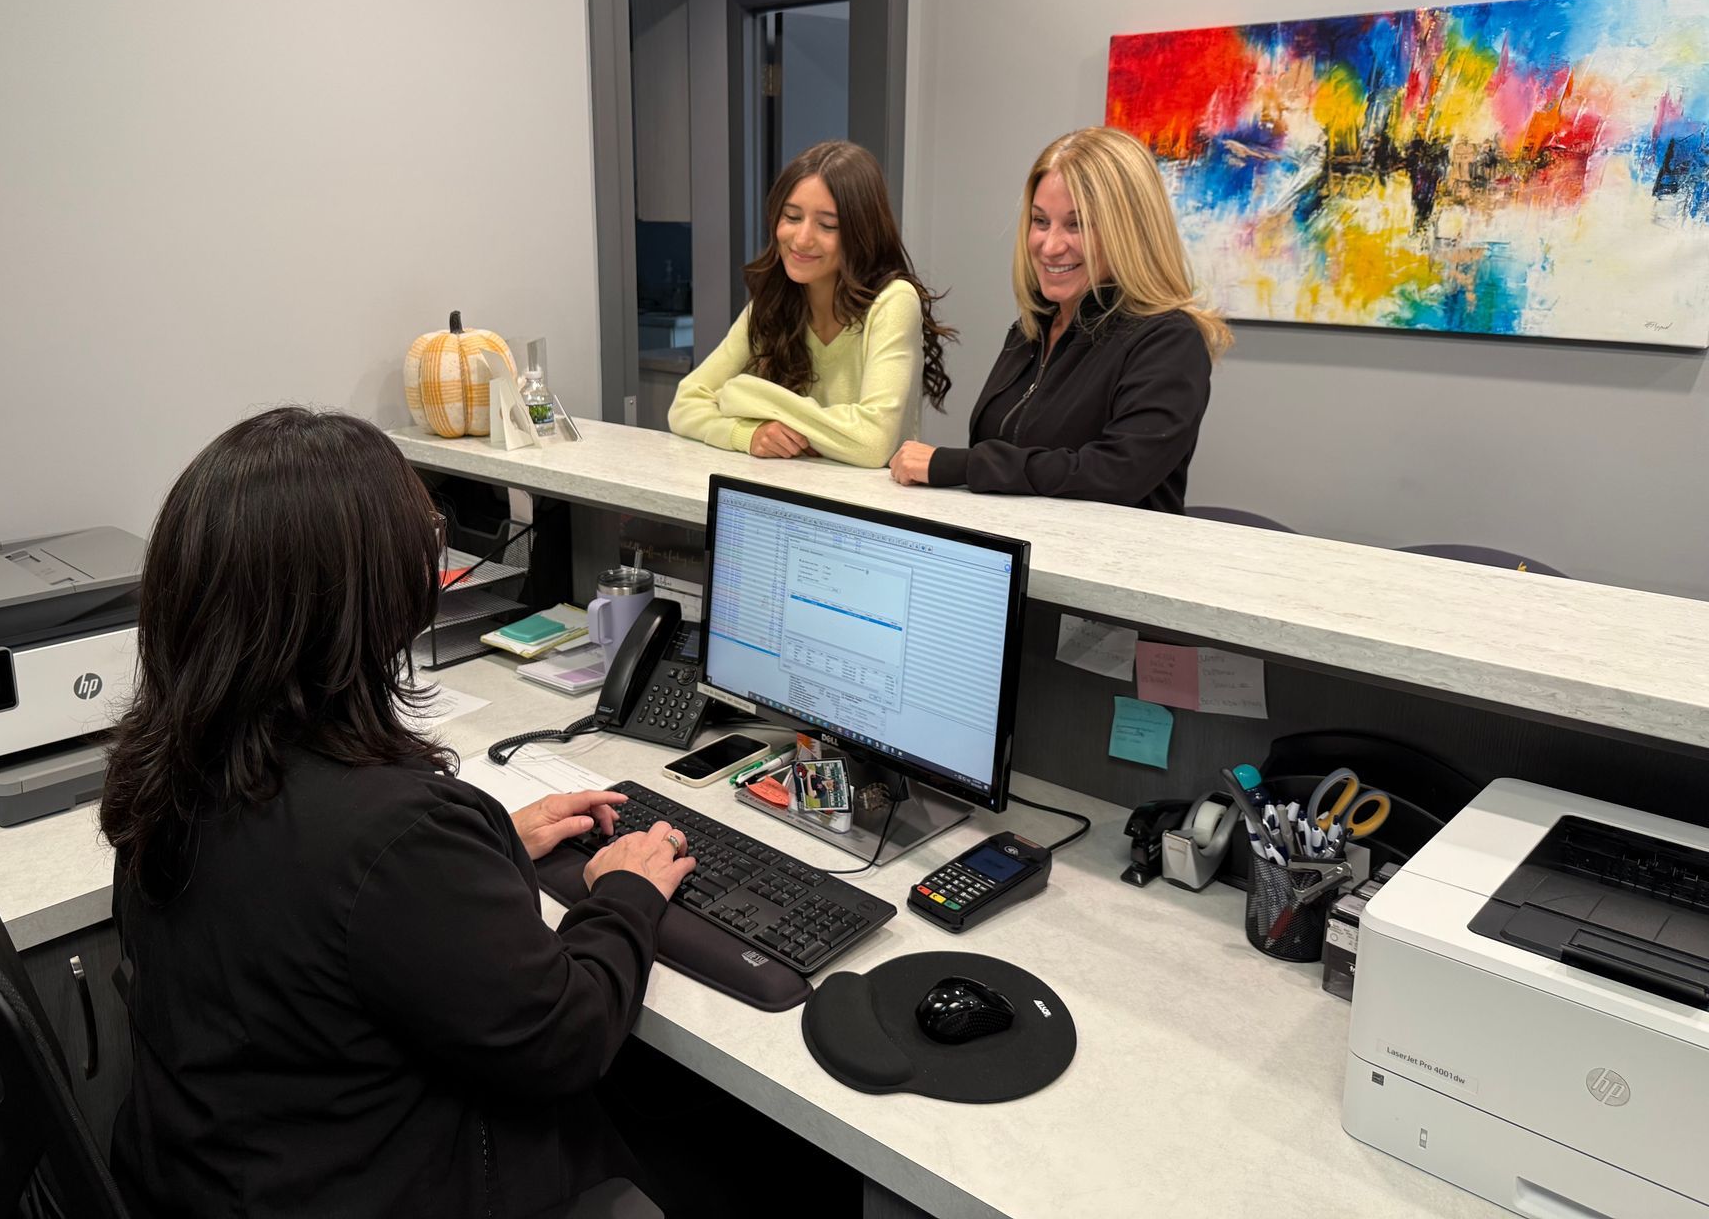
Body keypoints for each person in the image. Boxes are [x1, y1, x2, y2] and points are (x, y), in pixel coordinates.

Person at [99, 408, 694, 1219]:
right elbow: (568, 1034)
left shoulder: (176, 766)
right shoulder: (392, 840)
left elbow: (321, 906)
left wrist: (488, 850)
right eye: (425, 534)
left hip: (224, 1177)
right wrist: (625, 892)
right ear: (372, 593)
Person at [888, 128, 1232, 511]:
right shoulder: (1030, 331)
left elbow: (1116, 473)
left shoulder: (1169, 339)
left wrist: (962, 465)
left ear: (1129, 231)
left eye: (1077, 224)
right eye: (1040, 221)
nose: (1050, 246)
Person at [668, 140, 954, 467]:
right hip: (789, 502)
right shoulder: (772, 302)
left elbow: (873, 443)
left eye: (827, 225)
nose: (802, 239)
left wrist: (742, 395)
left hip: (870, 510)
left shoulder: (893, 301)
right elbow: (685, 404)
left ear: (861, 232)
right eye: (792, 217)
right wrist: (745, 434)